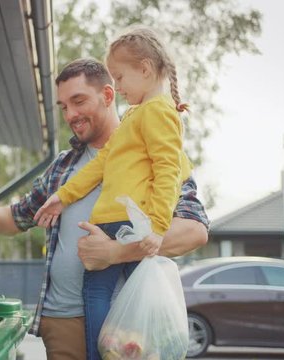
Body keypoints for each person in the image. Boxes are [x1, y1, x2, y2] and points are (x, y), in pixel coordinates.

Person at [0, 58, 209, 360]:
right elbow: (17, 217)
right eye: (63, 107)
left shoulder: (159, 151)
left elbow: (194, 231)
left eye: (78, 101)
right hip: (61, 321)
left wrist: (116, 253)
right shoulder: (63, 166)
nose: (71, 114)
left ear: (108, 95)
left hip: (126, 320)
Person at [34, 27, 205, 359]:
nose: (118, 86)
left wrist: (156, 227)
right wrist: (63, 196)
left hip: (127, 223)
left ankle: (110, 351)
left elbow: (167, 171)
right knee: (126, 292)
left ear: (144, 68)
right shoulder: (135, 115)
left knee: (101, 292)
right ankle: (128, 348)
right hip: (114, 221)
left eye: (121, 77)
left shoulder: (158, 112)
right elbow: (101, 164)